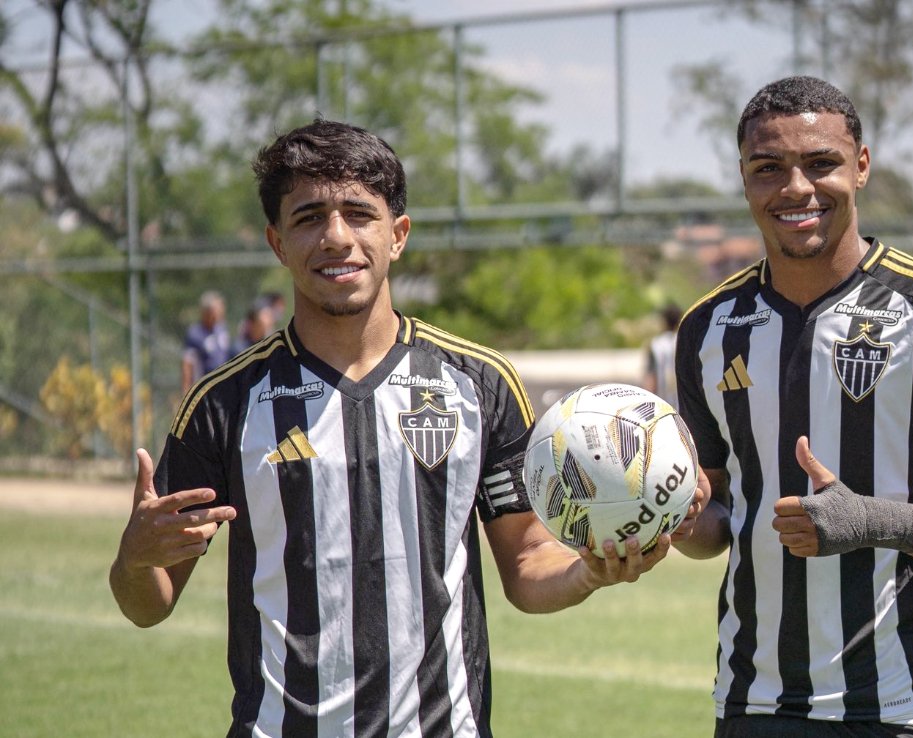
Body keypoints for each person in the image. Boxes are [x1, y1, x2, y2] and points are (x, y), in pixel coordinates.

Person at [109, 119, 699, 738]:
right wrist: (132, 559)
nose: (336, 238)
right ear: (277, 243)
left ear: (398, 235)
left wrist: (587, 571)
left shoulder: (480, 383)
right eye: (309, 218)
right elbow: (149, 602)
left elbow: (526, 563)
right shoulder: (223, 403)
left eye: (359, 214)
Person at [672, 76, 913, 737]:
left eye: (821, 164)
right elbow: (717, 520)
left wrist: (871, 520)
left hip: (906, 708)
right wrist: (669, 516)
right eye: (769, 169)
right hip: (754, 704)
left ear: (861, 167)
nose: (795, 188)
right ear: (744, 179)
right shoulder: (708, 327)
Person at [180, 289, 231, 393]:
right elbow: (187, 364)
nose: (219, 314)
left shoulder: (222, 329)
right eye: (216, 311)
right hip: (204, 388)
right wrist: (186, 391)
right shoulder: (195, 334)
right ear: (206, 312)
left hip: (224, 386)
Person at [642, 302, 682, 408]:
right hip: (682, 405)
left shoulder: (656, 344)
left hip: (661, 404)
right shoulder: (684, 341)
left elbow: (651, 377)